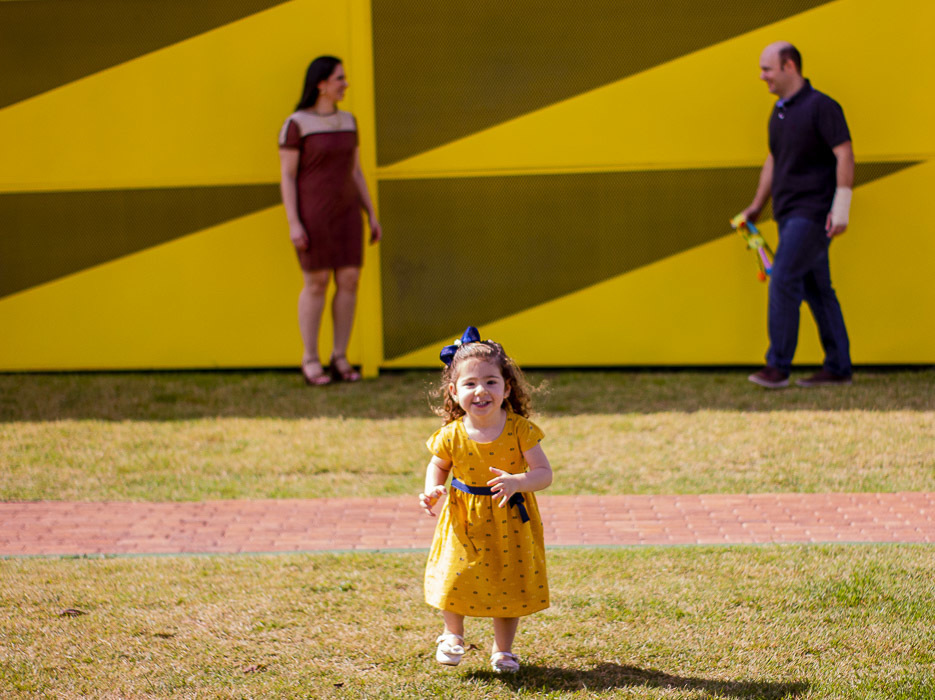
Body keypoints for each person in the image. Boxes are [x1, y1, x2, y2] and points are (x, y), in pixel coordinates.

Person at [419, 327, 552, 673]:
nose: (481, 391)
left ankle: (503, 651)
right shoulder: (451, 434)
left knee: (507, 583)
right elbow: (438, 466)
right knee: (454, 576)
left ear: (507, 388)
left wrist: (517, 481)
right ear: (454, 391)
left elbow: (543, 473)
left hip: (509, 519)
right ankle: (452, 635)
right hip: (463, 518)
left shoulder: (520, 430)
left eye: (491, 382)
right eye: (470, 384)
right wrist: (433, 488)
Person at [741, 42, 854, 389]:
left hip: (814, 213)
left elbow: (845, 155)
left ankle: (777, 367)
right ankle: (838, 367)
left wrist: (841, 208)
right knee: (817, 288)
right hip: (787, 214)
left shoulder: (822, 107)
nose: (762, 77)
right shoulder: (778, 112)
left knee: (784, 277)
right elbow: (773, 161)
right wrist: (757, 206)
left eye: (767, 69)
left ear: (790, 66)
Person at [278, 56, 382, 385]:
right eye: (340, 78)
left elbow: (355, 170)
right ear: (321, 84)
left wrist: (371, 213)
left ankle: (340, 356)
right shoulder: (296, 124)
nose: (345, 84)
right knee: (317, 282)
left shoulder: (349, 120)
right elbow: (287, 176)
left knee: (349, 280)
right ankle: (310, 358)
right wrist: (294, 222)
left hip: (347, 215)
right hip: (314, 216)